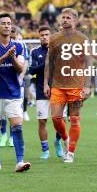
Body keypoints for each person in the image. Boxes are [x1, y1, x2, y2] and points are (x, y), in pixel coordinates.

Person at [0, 13, 30, 173]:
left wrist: (12, 58)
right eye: (3, 23)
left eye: (9, 23)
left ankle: (20, 161)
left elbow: (20, 69)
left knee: (17, 126)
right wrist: (5, 56)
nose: (7, 25)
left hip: (14, 93)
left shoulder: (19, 46)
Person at [44, 8, 92, 164]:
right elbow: (48, 63)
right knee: (56, 118)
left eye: (68, 18)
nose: (65, 20)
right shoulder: (54, 38)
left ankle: (70, 152)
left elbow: (88, 63)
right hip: (58, 85)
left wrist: (87, 85)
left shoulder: (83, 39)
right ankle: (66, 138)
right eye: (63, 17)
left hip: (76, 85)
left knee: (75, 119)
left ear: (75, 20)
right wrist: (46, 83)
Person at [29, 25, 63, 159]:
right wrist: (47, 63)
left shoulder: (59, 50)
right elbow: (31, 70)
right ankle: (45, 150)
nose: (44, 37)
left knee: (59, 120)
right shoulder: (35, 52)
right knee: (42, 121)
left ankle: (58, 142)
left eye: (47, 34)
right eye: (42, 35)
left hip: (58, 89)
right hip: (41, 90)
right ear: (39, 37)